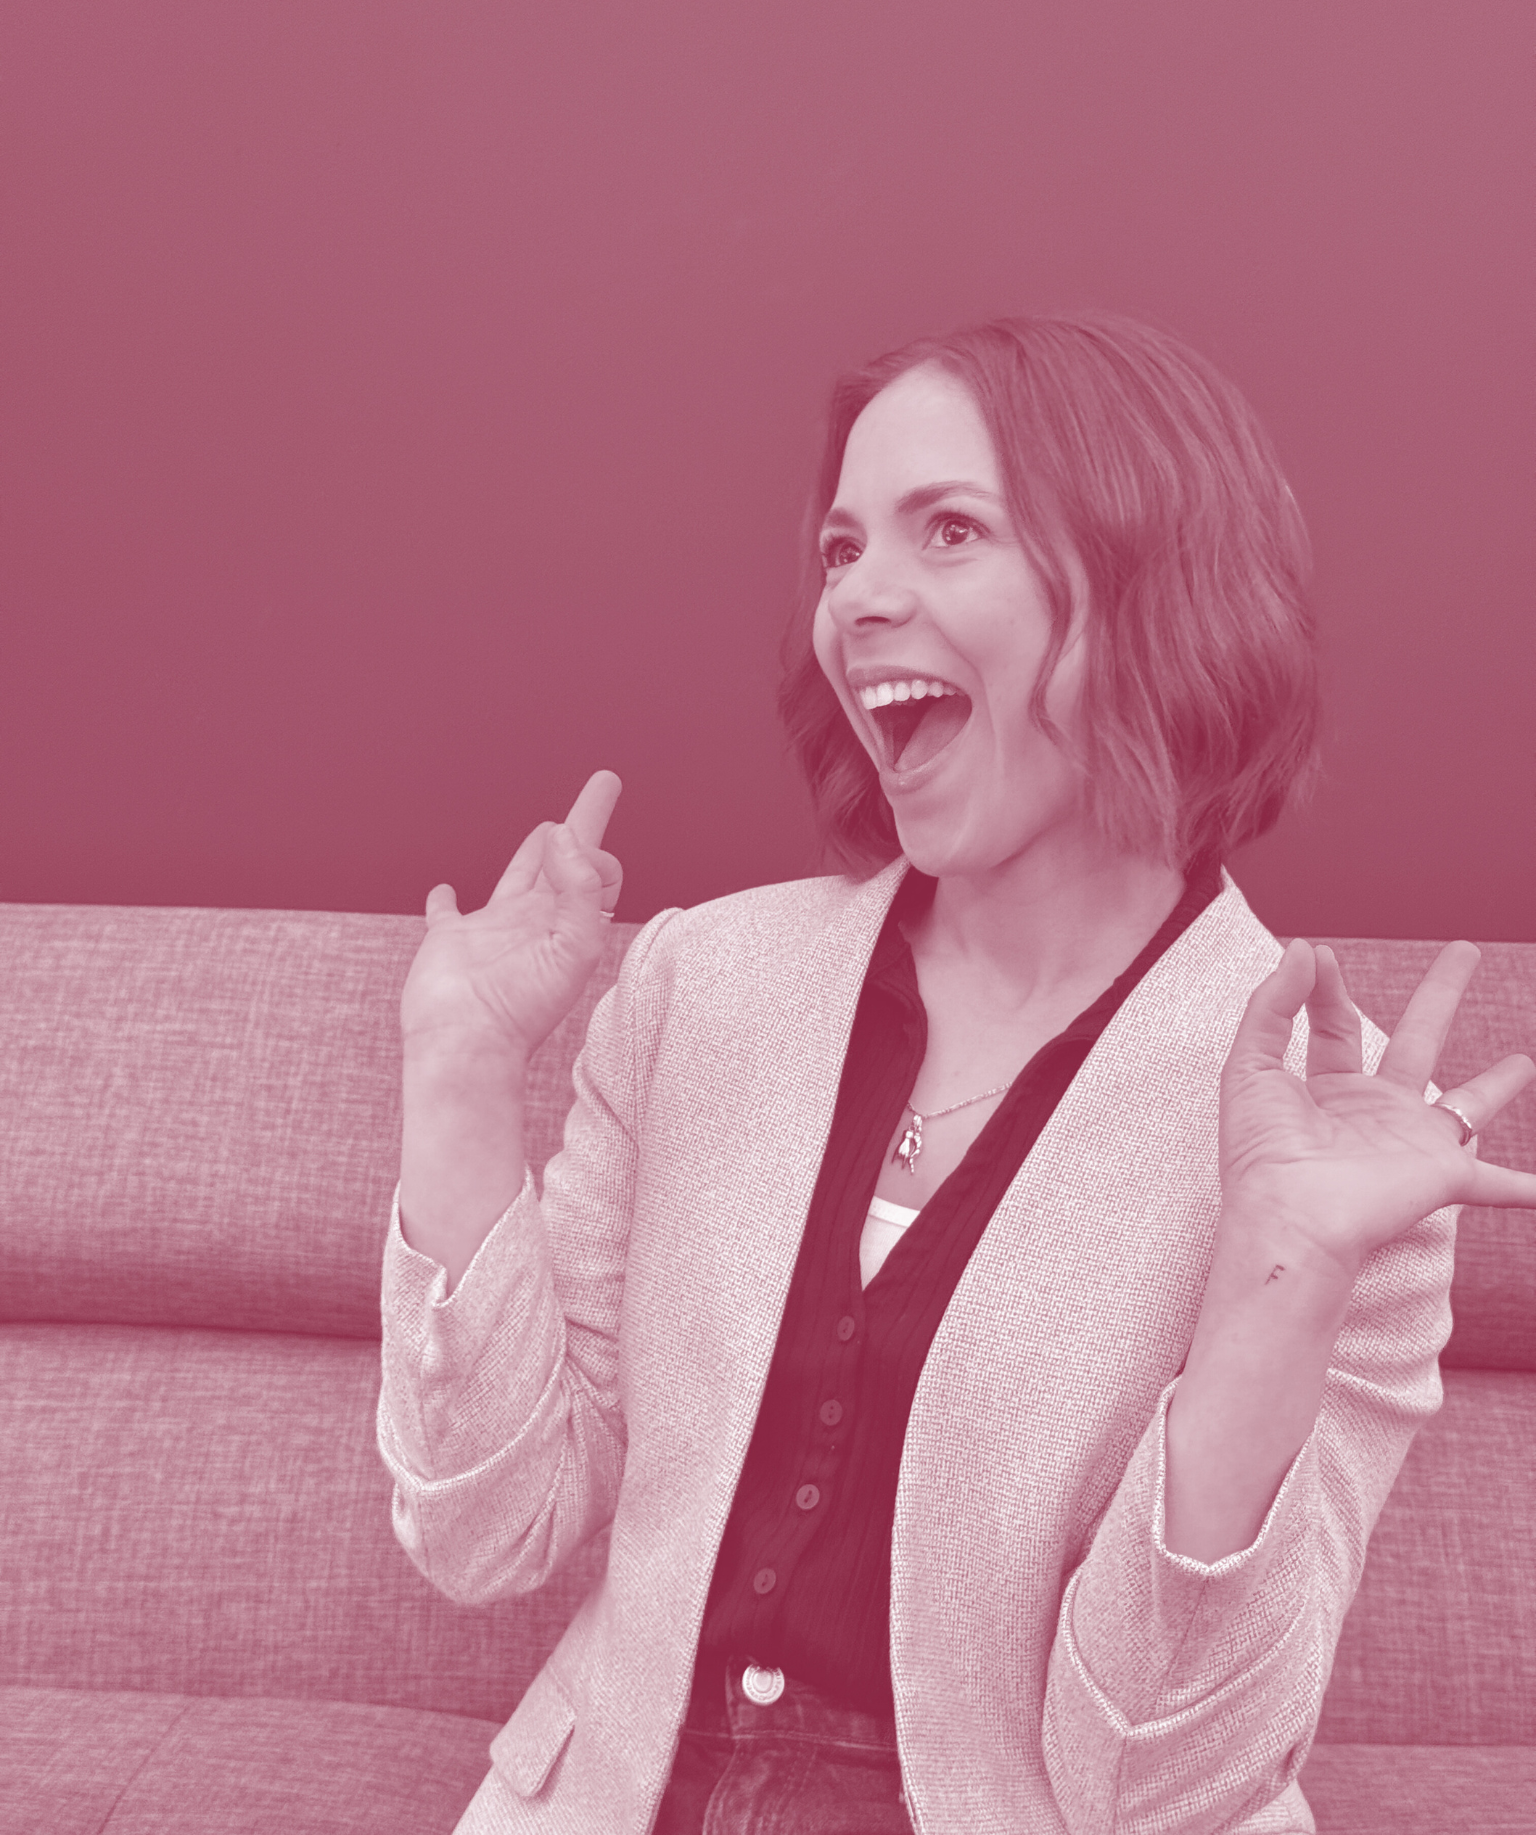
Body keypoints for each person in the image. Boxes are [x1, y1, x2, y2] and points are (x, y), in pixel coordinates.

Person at [376, 312, 1536, 1835]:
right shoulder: (700, 983)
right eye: (841, 548)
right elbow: (490, 1529)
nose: (857, 596)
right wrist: (461, 1073)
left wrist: (1282, 1276)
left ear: (1150, 590)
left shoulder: (1345, 1148)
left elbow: (1164, 1784)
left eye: (951, 530)